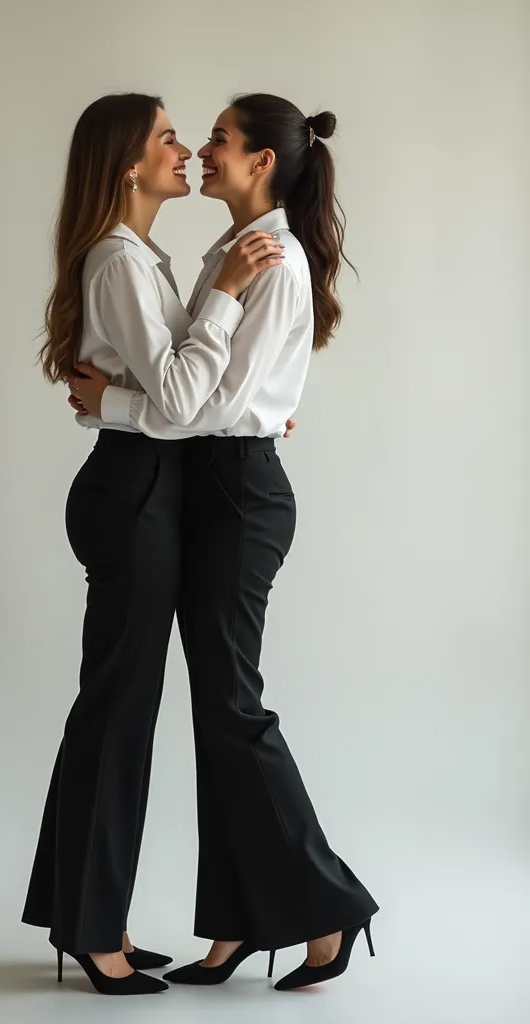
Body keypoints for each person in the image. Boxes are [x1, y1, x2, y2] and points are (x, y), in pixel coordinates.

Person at [69, 94, 379, 993]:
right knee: (216, 713)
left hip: (236, 494)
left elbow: (192, 405)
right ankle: (241, 923)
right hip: (210, 484)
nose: (202, 151)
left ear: (262, 163)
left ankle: (327, 909)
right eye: (190, 137)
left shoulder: (265, 260)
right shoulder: (224, 253)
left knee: (233, 709)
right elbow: (205, 393)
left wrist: (111, 404)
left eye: (218, 140)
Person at [21, 92, 283, 997]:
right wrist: (226, 298)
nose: (186, 151)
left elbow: (187, 397)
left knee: (118, 706)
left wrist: (253, 409)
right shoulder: (122, 264)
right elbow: (171, 404)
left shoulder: (143, 261)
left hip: (146, 488)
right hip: (133, 493)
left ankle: (92, 919)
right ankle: (95, 935)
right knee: (119, 710)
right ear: (128, 165)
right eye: (168, 137)